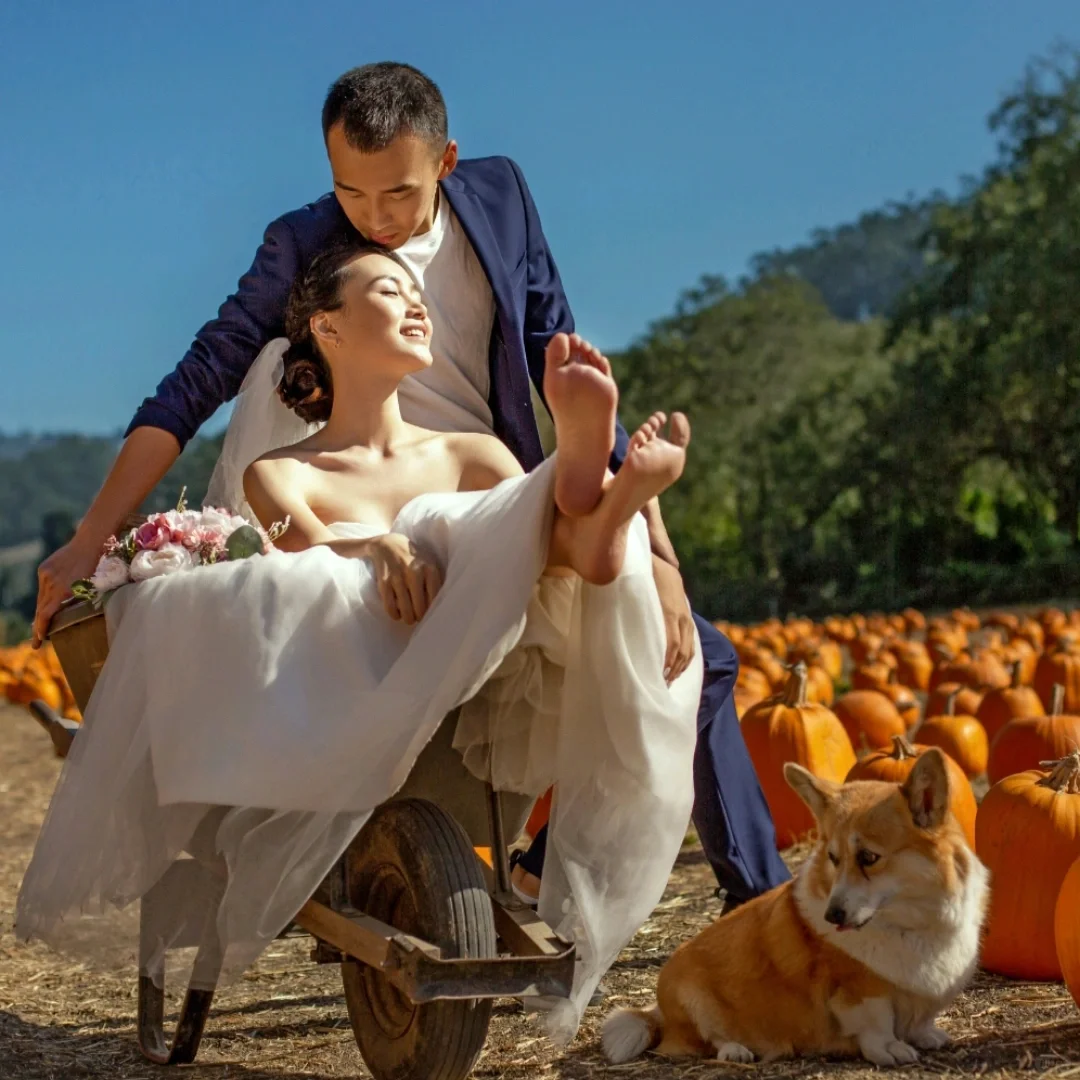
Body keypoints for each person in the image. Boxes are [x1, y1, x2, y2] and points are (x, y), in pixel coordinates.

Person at [31, 61, 789, 907]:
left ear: (447, 161)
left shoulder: (502, 203)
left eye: (396, 193)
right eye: (351, 194)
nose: (375, 219)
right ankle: (669, 881)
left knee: (697, 653)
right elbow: (193, 383)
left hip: (479, 477)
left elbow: (560, 356)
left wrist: (664, 557)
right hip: (365, 497)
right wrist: (95, 533)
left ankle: (718, 893)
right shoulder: (305, 243)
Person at [16, 239, 704, 1045]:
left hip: (489, 647)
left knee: (491, 526)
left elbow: (526, 562)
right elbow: (297, 548)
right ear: (327, 329)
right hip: (350, 692)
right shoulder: (279, 473)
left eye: (419, 294)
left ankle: (593, 496)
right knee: (441, 526)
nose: (418, 304)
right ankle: (586, 489)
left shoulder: (469, 451)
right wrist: (373, 545)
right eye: (388, 289)